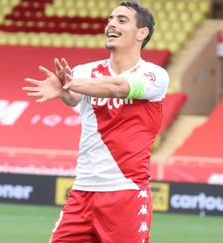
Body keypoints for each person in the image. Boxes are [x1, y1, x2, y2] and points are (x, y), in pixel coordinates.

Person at [22, 1, 168, 242]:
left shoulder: (154, 75)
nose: (111, 23)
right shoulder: (84, 72)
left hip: (126, 193)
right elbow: (73, 98)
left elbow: (118, 87)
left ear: (142, 33)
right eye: (110, 19)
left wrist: (69, 83)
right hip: (82, 191)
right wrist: (64, 91)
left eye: (122, 20)